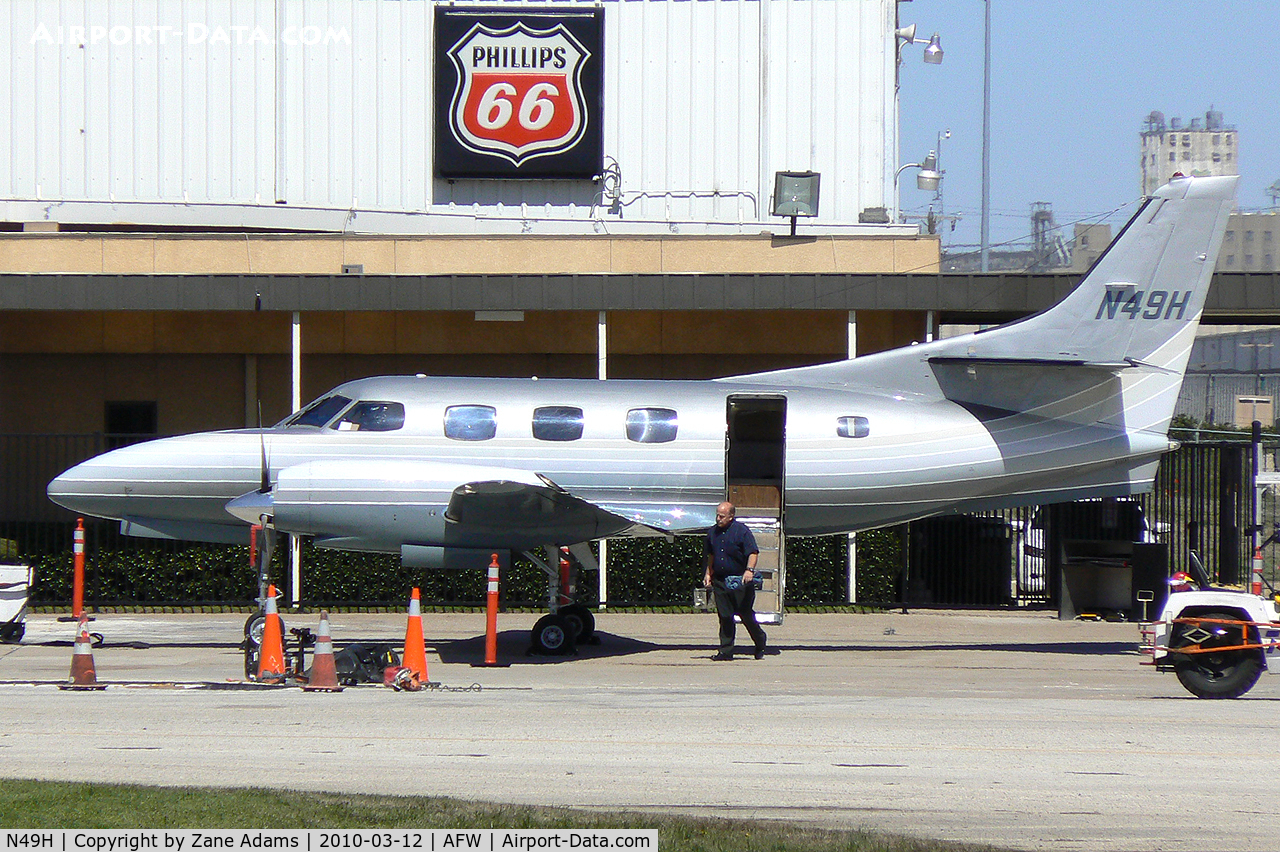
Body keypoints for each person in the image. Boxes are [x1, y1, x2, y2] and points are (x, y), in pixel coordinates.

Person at [703, 501, 767, 660]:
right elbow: (711, 556)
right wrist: (708, 574)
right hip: (721, 580)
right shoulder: (712, 533)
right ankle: (726, 651)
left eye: (722, 516)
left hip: (740, 580)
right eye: (717, 515)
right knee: (725, 616)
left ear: (731, 516)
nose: (718, 519)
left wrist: (749, 570)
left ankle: (760, 641)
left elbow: (753, 552)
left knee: (745, 614)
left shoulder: (742, 532)